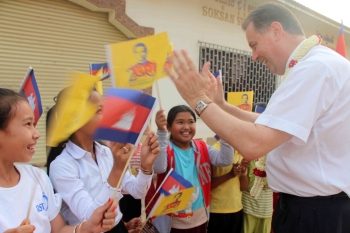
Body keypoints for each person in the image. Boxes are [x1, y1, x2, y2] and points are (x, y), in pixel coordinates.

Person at [165, 2, 350, 232]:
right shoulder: (315, 64)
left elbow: (255, 143)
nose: (252, 57)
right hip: (311, 208)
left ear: (275, 30)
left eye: (254, 45)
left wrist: (198, 101)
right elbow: (268, 123)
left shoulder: (314, 68)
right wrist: (220, 105)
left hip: (314, 213)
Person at [0, 88, 118, 233]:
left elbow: (59, 229)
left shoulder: (37, 177)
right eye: (28, 124)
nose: (36, 134)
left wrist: (85, 228)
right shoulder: (62, 165)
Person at [49, 89, 160, 233]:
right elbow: (92, 219)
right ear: (75, 118)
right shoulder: (62, 165)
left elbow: (137, 191)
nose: (108, 116)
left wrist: (146, 166)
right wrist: (117, 170)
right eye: (99, 110)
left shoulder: (105, 152)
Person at [152, 106, 233, 233]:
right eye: (180, 122)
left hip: (200, 218)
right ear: (168, 127)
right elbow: (159, 168)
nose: (186, 127)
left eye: (191, 122)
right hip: (173, 221)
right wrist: (161, 133)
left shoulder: (202, 147)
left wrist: (224, 131)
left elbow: (225, 160)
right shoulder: (165, 148)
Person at [207, 139, 249, 233]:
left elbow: (243, 187)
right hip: (217, 210)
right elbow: (207, 185)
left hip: (237, 209)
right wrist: (229, 175)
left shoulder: (241, 152)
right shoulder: (214, 151)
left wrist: (243, 172)